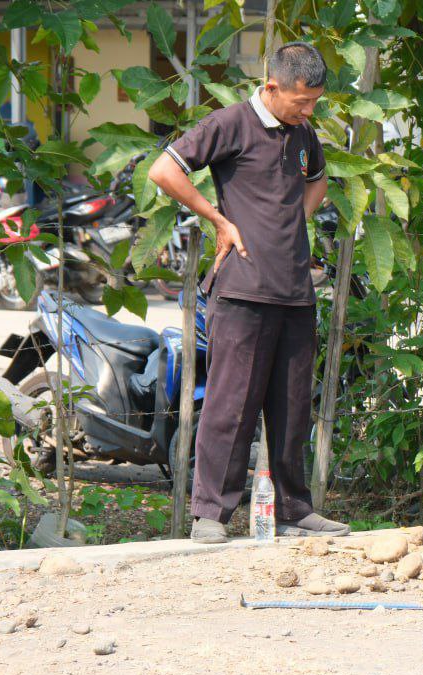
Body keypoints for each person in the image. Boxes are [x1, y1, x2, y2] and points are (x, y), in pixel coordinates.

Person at [149, 42, 349, 542]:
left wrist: (293, 222)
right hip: (241, 292)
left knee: (293, 409)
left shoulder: (303, 133)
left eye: (314, 102)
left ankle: (294, 510)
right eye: (302, 102)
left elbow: (318, 181)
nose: (309, 111)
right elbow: (164, 171)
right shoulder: (230, 123)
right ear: (271, 87)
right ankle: (210, 515)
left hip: (295, 292)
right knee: (230, 406)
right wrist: (218, 220)